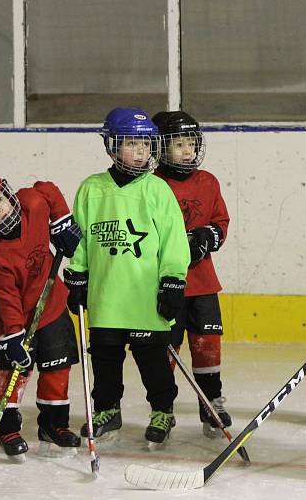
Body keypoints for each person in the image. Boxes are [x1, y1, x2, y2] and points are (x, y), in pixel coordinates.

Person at [63, 107, 190, 449]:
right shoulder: (92, 189)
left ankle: (162, 410)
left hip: (145, 296)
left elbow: (174, 240)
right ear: (111, 146)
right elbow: (81, 237)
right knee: (104, 358)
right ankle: (107, 409)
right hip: (106, 297)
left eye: (147, 145)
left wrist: (173, 280)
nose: (141, 152)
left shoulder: (157, 190)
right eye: (132, 144)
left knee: (153, 361)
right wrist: (76, 274)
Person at [0, 172, 83, 461]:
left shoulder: (31, 205)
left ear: (7, 194)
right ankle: (7, 428)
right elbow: (6, 298)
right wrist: (13, 336)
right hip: (16, 323)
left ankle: (54, 426)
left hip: (52, 308)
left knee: (57, 369)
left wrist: (62, 221)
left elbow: (48, 189)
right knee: (14, 375)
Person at [152, 110, 232, 438]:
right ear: (160, 148)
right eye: (178, 144)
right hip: (165, 286)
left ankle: (211, 401)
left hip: (202, 284)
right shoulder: (152, 185)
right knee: (164, 350)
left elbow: (221, 223)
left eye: (191, 143)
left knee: (207, 345)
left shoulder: (208, 181)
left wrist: (206, 237)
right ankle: (163, 409)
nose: (187, 150)